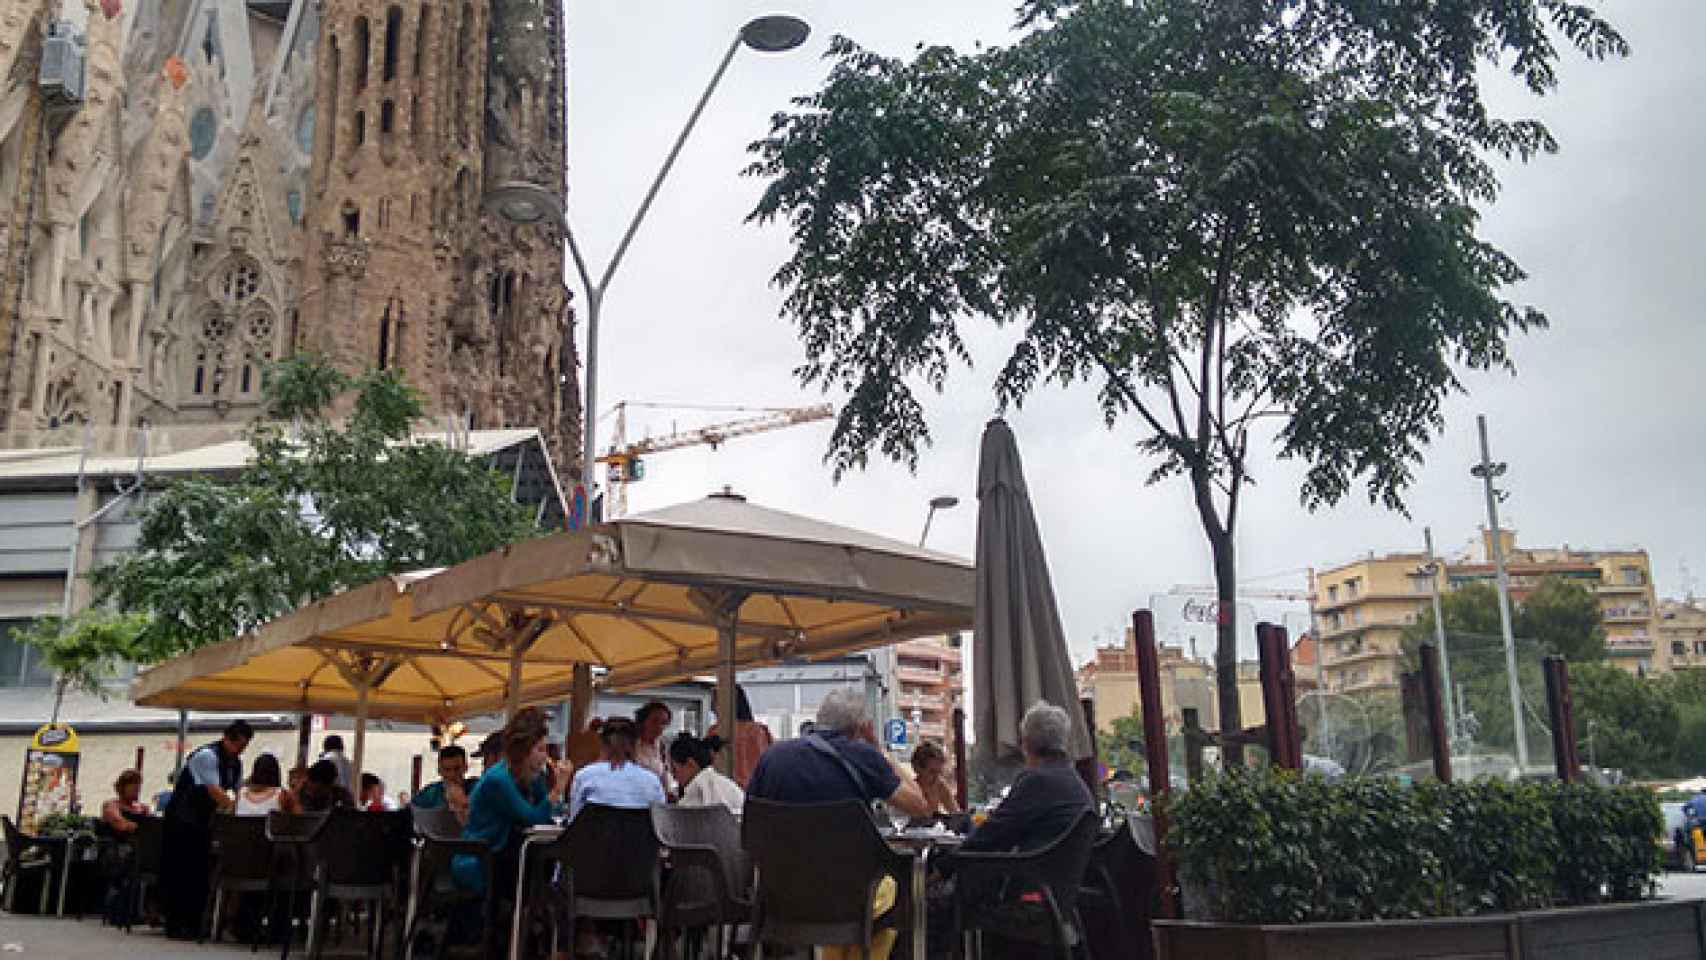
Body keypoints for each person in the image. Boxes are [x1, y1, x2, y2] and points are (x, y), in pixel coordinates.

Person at [747, 689, 930, 960]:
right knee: (893, 887)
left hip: (781, 901)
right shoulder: (863, 756)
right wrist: (879, 749)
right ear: (860, 727)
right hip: (849, 902)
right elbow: (920, 805)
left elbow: (751, 829)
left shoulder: (772, 758)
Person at [454, 708, 572, 894]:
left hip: (505, 852)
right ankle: (529, 914)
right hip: (482, 856)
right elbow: (532, 817)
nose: (545, 756)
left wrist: (552, 789)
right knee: (538, 860)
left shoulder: (532, 778)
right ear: (523, 751)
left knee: (546, 857)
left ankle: (533, 914)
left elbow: (549, 813)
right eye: (540, 749)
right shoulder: (498, 779)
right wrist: (558, 788)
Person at [956, 701, 1094, 856]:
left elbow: (995, 833)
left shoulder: (1038, 780)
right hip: (1062, 873)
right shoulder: (1073, 779)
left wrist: (947, 864)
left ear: (1026, 744)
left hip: (1032, 873)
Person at [162, 719, 252, 940]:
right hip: (183, 820)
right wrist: (237, 809)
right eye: (239, 746)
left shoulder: (234, 763)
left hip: (203, 823)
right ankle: (175, 924)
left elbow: (237, 790)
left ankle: (193, 923)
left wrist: (243, 804)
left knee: (199, 873)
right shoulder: (206, 756)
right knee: (181, 872)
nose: (240, 751)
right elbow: (215, 791)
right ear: (227, 739)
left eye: (244, 747)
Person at [568, 719, 667, 821]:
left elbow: (574, 821)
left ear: (602, 744)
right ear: (636, 744)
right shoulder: (652, 781)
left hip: (595, 835)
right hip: (636, 835)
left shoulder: (584, 776)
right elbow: (661, 824)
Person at [707, 685, 775, 787]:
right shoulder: (761, 730)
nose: (712, 709)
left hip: (724, 791)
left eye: (714, 703)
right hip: (756, 792)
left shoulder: (715, 731)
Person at [668, 733, 744, 815]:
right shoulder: (728, 784)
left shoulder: (697, 787)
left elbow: (682, 819)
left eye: (675, 769)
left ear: (690, 764)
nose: (674, 776)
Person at [413, 744, 472, 823]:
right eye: (447, 769)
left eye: (457, 768)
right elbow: (412, 813)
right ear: (439, 770)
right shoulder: (429, 793)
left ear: (466, 767)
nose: (452, 774)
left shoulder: (476, 789)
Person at [633, 701, 673, 794]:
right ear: (643, 721)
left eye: (664, 723)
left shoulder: (662, 747)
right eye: (654, 721)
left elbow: (664, 777)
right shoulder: (630, 744)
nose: (659, 727)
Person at [911, 741, 960, 815]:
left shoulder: (940, 786)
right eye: (932, 772)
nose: (937, 777)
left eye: (939, 772)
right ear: (917, 768)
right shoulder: (910, 789)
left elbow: (956, 813)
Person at [101, 769, 148, 835]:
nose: (137, 788)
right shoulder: (111, 805)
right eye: (133, 784)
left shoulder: (142, 808)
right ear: (122, 788)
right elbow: (119, 823)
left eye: (138, 784)